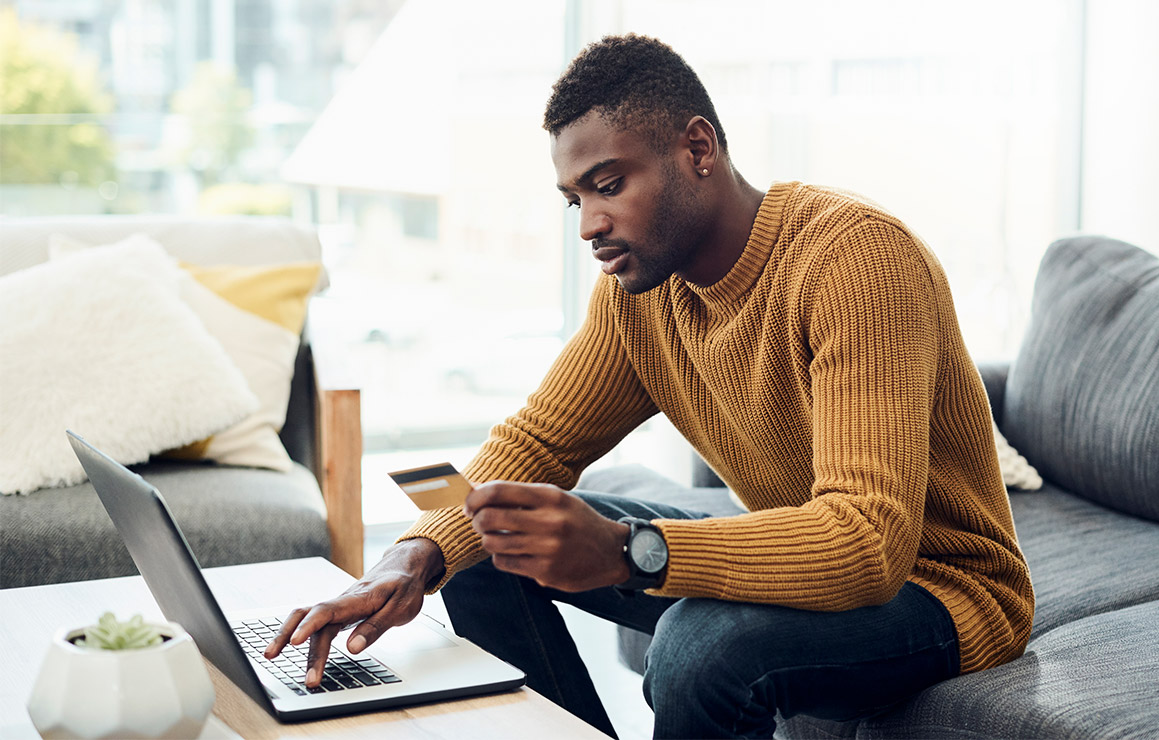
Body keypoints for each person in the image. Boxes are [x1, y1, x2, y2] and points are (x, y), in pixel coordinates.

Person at [265, 33, 1034, 739]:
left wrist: (629, 550)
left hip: (943, 588)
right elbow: (538, 442)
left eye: (608, 185)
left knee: (701, 646)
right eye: (576, 199)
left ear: (697, 147)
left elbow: (867, 544)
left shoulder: (854, 262)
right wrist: (412, 556)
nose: (588, 225)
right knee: (500, 537)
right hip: (811, 545)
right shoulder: (643, 299)